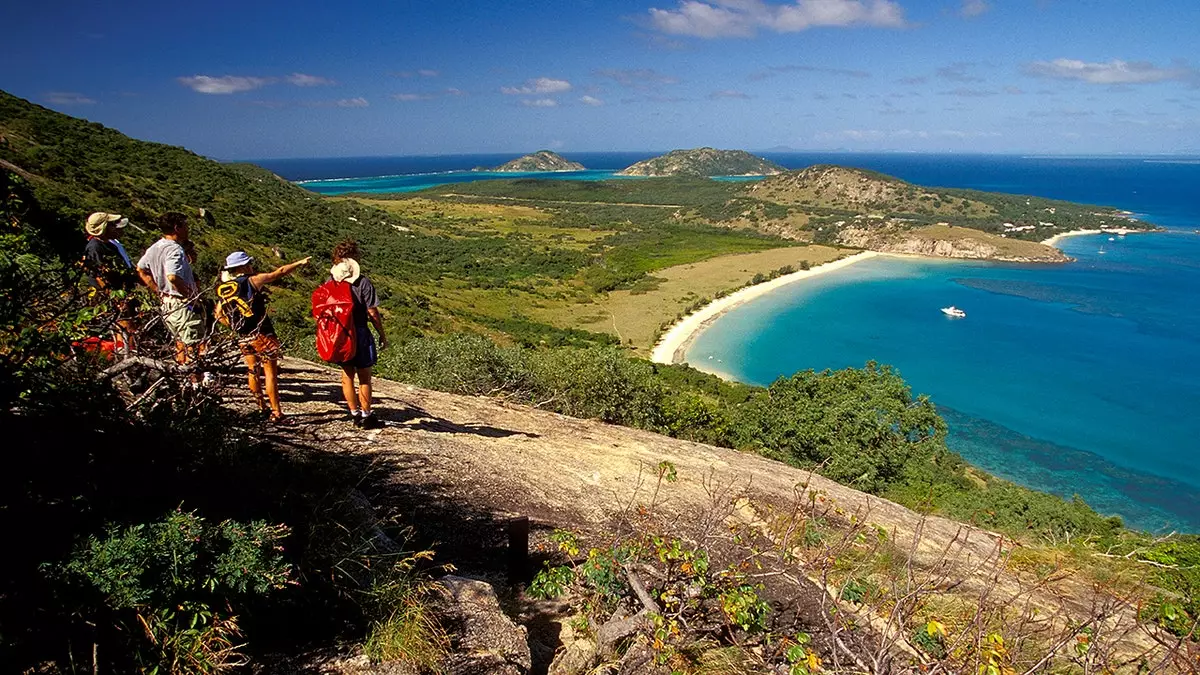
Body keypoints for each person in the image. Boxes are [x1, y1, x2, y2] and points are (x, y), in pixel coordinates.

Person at [216, 251, 310, 425]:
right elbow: (279, 272)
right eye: (249, 263)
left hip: (244, 335)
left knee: (252, 370)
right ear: (243, 266)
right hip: (262, 333)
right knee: (270, 374)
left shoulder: (227, 289)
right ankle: (277, 412)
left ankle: (261, 407)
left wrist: (233, 326)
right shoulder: (253, 280)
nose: (251, 265)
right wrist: (299, 262)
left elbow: (218, 314)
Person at [136, 212, 206, 374]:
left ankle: (183, 378)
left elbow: (140, 269)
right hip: (181, 303)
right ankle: (195, 383)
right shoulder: (175, 250)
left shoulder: (155, 247)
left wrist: (158, 291)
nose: (188, 229)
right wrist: (189, 296)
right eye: (185, 225)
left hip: (167, 303)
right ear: (177, 228)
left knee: (180, 342)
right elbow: (173, 276)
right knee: (192, 345)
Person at [330, 240, 388, 429]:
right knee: (364, 377)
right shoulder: (363, 283)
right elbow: (372, 313)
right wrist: (382, 334)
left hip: (341, 333)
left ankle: (354, 414)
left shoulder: (330, 283)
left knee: (347, 375)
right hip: (360, 332)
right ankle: (366, 415)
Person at [82, 212, 139, 350]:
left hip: (123, 294)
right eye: (112, 225)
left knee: (130, 328)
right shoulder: (95, 247)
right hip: (113, 297)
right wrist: (116, 299)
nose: (117, 228)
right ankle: (125, 358)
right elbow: (100, 276)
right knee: (123, 328)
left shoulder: (111, 246)